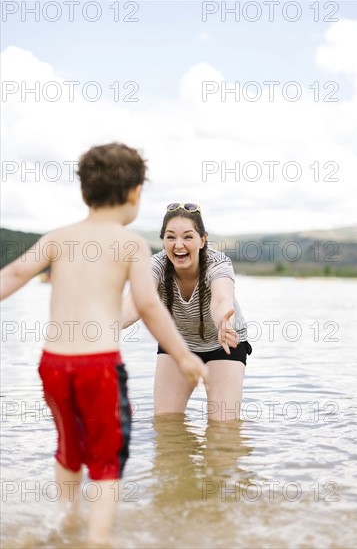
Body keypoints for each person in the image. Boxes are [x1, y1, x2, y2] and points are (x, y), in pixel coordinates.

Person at [0, 144, 207, 546]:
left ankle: (66, 521)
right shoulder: (129, 244)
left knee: (68, 445)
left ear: (83, 193)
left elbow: (12, 274)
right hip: (98, 366)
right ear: (134, 194)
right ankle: (96, 540)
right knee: (106, 459)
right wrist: (183, 355)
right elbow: (147, 305)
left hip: (54, 365)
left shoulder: (57, 237)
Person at [122, 203, 252, 422]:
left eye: (188, 237)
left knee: (223, 430)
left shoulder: (218, 263)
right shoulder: (155, 265)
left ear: (202, 240)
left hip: (223, 344)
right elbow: (135, 302)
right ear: (163, 240)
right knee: (166, 426)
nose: (179, 245)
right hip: (177, 344)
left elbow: (221, 299)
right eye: (171, 237)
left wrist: (222, 321)